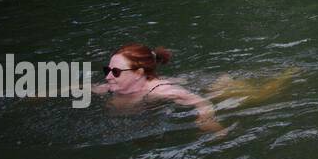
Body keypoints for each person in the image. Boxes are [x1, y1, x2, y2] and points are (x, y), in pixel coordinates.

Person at [95, 45, 224, 134]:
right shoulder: (113, 87)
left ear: (139, 73)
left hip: (207, 85)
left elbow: (201, 102)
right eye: (107, 70)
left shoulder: (161, 91)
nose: (108, 76)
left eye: (116, 72)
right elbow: (86, 88)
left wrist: (206, 120)